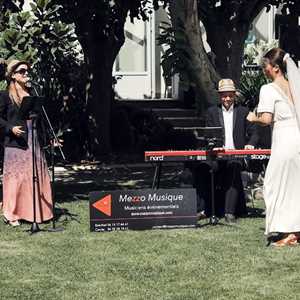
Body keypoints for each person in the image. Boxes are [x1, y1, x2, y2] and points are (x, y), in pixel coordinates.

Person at [247, 48, 300, 246]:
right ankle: (296, 229)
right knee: (295, 186)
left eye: (265, 66)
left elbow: (267, 118)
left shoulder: (267, 89)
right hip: (298, 139)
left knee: (274, 184)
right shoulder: (296, 86)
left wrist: (254, 118)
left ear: (276, 68)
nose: (263, 70)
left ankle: (289, 233)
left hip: (285, 141)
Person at [193, 79, 258, 223]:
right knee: (204, 168)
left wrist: (250, 144)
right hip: (217, 155)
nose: (227, 98)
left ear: (234, 95)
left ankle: (229, 212)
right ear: (219, 96)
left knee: (233, 166)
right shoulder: (211, 112)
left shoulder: (243, 111)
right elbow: (208, 135)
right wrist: (213, 146)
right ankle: (204, 210)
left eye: (230, 95)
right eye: (224, 95)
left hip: (235, 155)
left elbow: (254, 132)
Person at [0, 59, 53, 226]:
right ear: (13, 75)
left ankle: (35, 212)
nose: (26, 74)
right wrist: (10, 128)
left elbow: (41, 118)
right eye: (22, 71)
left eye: (27, 71)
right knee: (16, 179)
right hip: (16, 142)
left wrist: (50, 138)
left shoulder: (32, 93)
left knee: (34, 176)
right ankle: (12, 214)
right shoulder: (4, 95)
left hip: (34, 139)